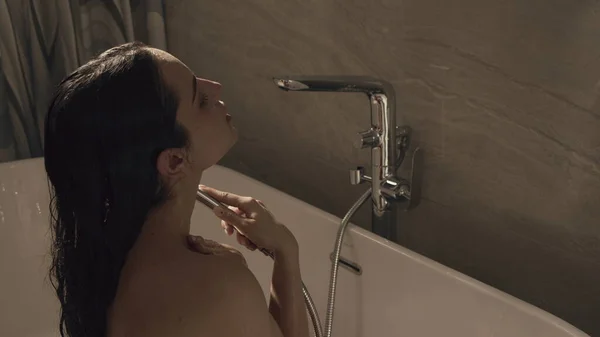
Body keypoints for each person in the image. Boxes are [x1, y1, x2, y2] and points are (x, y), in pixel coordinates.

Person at [44, 41, 309, 337]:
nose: (216, 88)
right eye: (200, 99)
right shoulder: (221, 288)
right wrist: (285, 250)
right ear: (174, 161)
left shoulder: (102, 268)